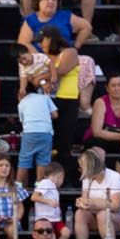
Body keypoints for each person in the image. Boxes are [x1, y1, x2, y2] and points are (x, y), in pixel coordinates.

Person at [39, 26, 83, 177]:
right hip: (52, 100)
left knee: (64, 143)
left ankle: (66, 178)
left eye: (42, 40)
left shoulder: (70, 52)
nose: (40, 44)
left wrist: (39, 77)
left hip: (68, 100)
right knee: (50, 142)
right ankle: (48, 177)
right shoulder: (49, 57)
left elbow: (62, 70)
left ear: (50, 39)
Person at [74, 149, 120, 239]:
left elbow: (116, 206)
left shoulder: (115, 178)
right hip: (95, 216)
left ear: (89, 168)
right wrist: (81, 203)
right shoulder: (87, 178)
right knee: (79, 213)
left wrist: (94, 204)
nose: (79, 170)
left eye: (81, 168)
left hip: (119, 219)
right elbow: (86, 201)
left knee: (103, 215)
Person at [17, 0, 92, 50]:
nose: (51, 2)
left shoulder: (65, 16)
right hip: (40, 60)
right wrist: (40, 58)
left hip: (63, 58)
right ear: (38, 2)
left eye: (54, 0)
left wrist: (76, 46)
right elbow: (23, 43)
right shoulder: (31, 20)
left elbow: (86, 27)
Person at [16, 79, 57, 185]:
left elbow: (23, 122)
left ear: (20, 93)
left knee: (24, 159)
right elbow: (55, 115)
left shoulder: (21, 103)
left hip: (30, 133)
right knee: (43, 159)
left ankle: (18, 184)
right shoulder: (44, 98)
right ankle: (40, 184)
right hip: (46, 132)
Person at [30, 161, 67, 239]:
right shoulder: (46, 182)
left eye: (60, 177)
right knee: (51, 238)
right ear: (46, 176)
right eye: (54, 176)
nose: (57, 180)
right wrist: (49, 202)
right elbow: (34, 197)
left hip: (55, 219)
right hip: (45, 220)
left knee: (66, 232)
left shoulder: (54, 188)